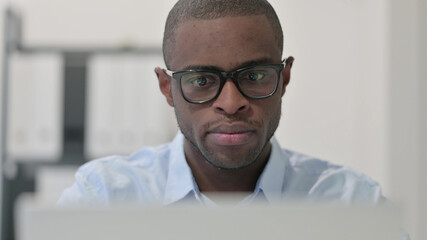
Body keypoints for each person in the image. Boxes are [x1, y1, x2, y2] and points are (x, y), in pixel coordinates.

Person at [58, 0, 386, 206]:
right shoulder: (102, 199)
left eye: (254, 77)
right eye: (202, 81)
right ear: (167, 88)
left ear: (284, 79)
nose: (231, 104)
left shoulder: (352, 204)